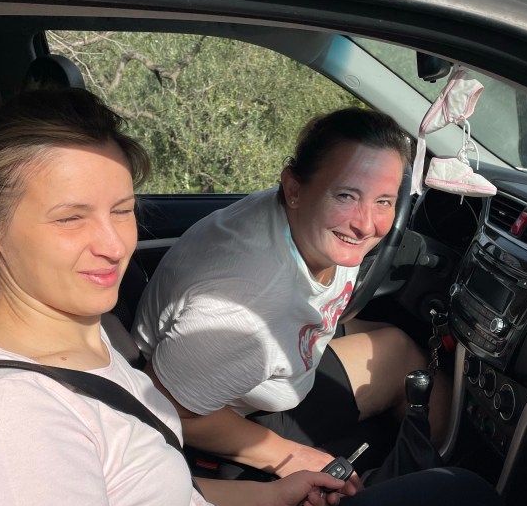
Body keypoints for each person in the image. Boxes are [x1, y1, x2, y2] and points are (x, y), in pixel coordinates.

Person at [0, 88, 524, 506]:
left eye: (122, 210)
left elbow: (140, 502)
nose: (112, 244)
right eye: (70, 217)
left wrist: (269, 500)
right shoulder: (8, 419)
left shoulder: (75, 337)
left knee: (456, 501)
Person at [132, 107, 450, 483]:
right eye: (346, 196)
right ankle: (440, 473)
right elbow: (163, 408)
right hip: (216, 410)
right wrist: (296, 457)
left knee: (393, 340)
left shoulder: (299, 224)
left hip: (252, 368)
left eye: (384, 201)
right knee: (402, 359)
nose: (367, 225)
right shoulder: (247, 307)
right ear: (294, 189)